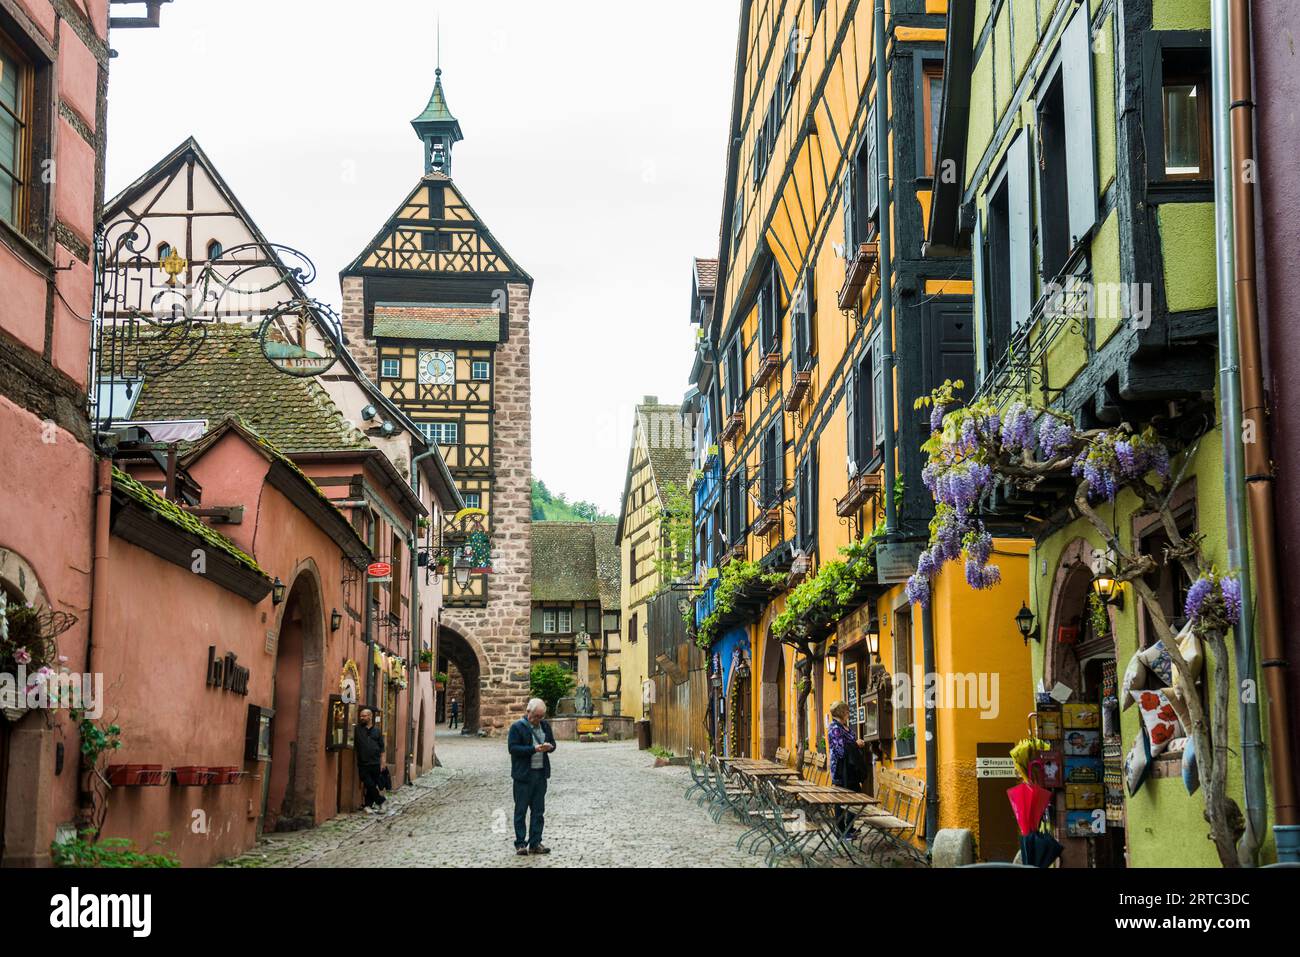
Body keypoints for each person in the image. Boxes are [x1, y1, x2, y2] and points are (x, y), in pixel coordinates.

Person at [507, 698, 557, 856]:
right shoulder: (517, 727)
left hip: (540, 774)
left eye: (541, 716)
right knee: (521, 811)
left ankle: (535, 842)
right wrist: (533, 749)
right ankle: (521, 843)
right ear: (528, 712)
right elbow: (513, 748)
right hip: (523, 776)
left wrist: (549, 747)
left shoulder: (545, 726)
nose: (538, 720)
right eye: (536, 716)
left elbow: (553, 744)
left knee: (538, 811)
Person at [827, 700, 868, 832]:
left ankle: (849, 827)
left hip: (851, 769)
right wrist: (856, 744)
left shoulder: (844, 727)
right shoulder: (834, 728)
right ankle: (841, 829)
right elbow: (840, 750)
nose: (848, 714)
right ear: (841, 712)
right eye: (847, 711)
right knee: (841, 798)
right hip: (841, 770)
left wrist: (856, 744)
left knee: (855, 796)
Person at [355, 706, 386, 814]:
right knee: (369, 783)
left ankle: (368, 806)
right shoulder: (357, 729)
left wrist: (383, 762)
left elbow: (382, 748)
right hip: (363, 763)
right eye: (361, 716)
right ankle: (381, 802)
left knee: (372, 785)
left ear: (370, 717)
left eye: (364, 716)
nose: (361, 718)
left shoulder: (377, 731)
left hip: (375, 762)